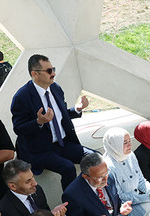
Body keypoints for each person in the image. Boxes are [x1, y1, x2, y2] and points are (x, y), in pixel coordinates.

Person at [10, 54, 94, 189]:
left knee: (96, 158)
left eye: (53, 69)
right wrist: (38, 122)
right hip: (41, 150)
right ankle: (72, 204)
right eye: (49, 71)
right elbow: (18, 128)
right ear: (35, 74)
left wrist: (76, 109)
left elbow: (61, 115)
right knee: (68, 167)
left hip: (63, 144)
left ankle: (98, 196)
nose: (53, 73)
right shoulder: (22, 97)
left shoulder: (56, 88)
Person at [0, 159, 67, 216]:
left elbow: (45, 211)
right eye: (28, 181)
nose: (35, 183)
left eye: (32, 177)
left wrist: (53, 215)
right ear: (13, 186)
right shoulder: (5, 209)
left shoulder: (37, 190)